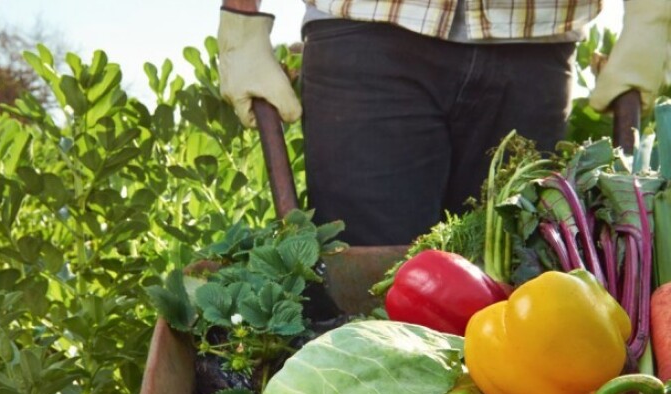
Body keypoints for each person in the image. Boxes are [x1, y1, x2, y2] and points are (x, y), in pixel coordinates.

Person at [217, 0, 671, 246]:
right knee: (366, 297)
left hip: (536, 40)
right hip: (367, 32)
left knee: (517, 279)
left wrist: (651, 15)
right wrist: (241, 22)